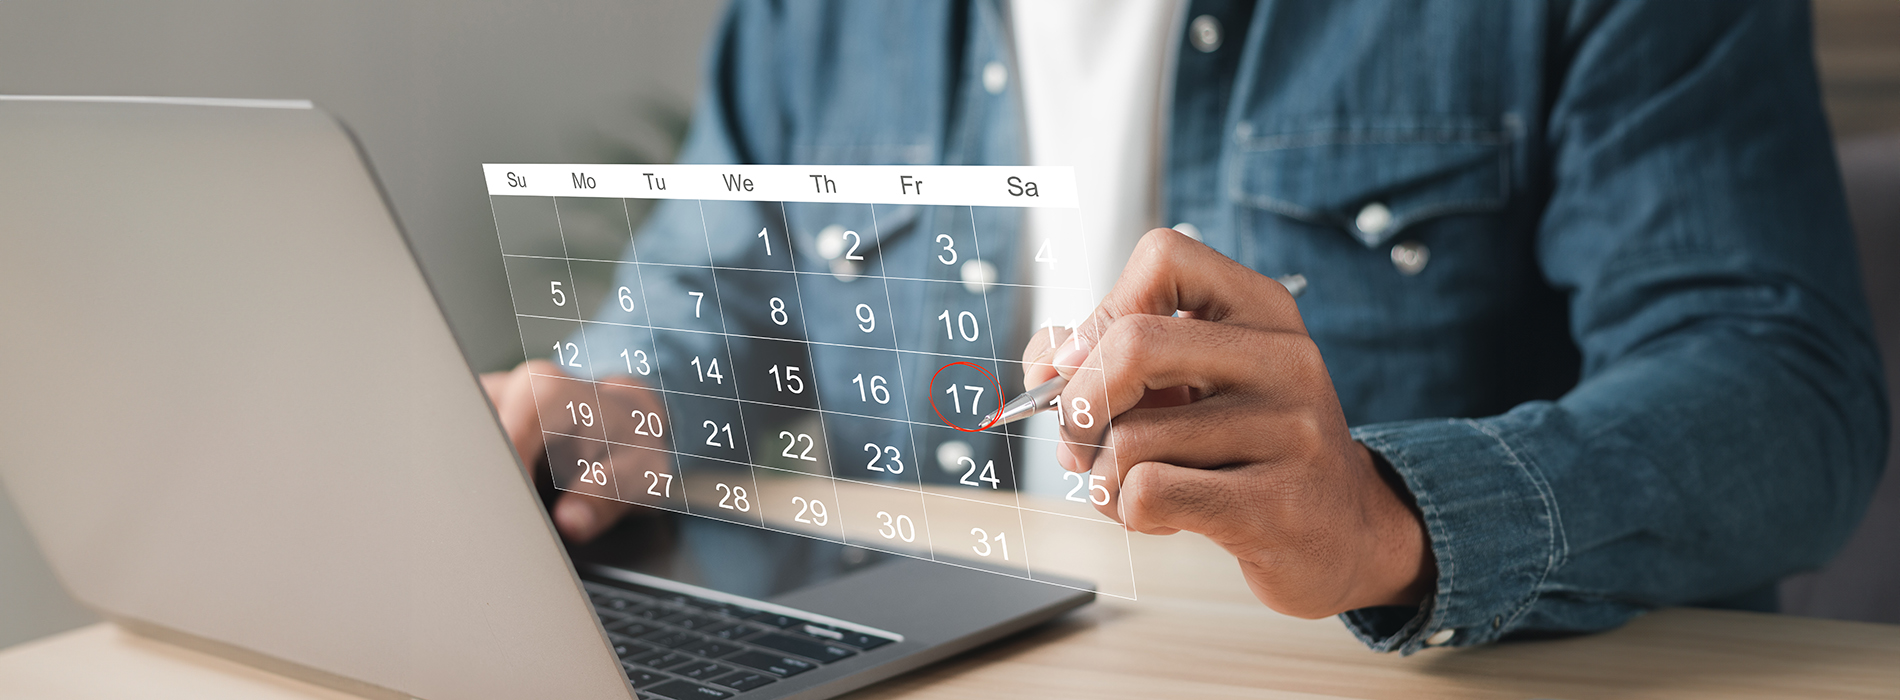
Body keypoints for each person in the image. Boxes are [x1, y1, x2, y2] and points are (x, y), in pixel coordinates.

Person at [483, 0, 1888, 654]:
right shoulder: (817, 19)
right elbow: (704, 301)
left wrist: (1391, 517)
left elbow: (1786, 389)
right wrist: (616, 401)